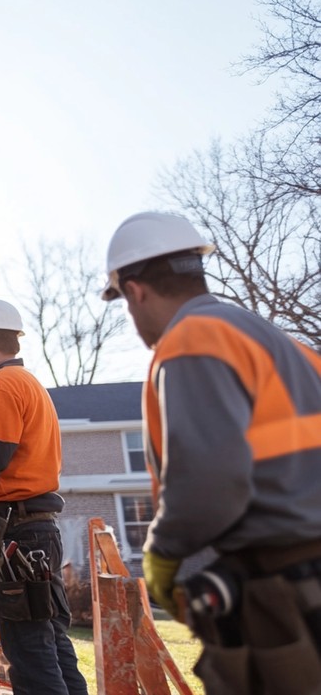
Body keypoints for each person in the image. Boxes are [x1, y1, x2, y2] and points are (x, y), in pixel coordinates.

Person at [102, 211, 321, 694]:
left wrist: (163, 552)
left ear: (135, 291)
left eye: (124, 302)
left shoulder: (191, 340)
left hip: (291, 587)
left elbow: (210, 485)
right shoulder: (291, 349)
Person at [0, 299, 89, 695]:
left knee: (29, 651)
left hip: (16, 536)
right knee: (53, 645)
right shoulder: (31, 385)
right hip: (38, 532)